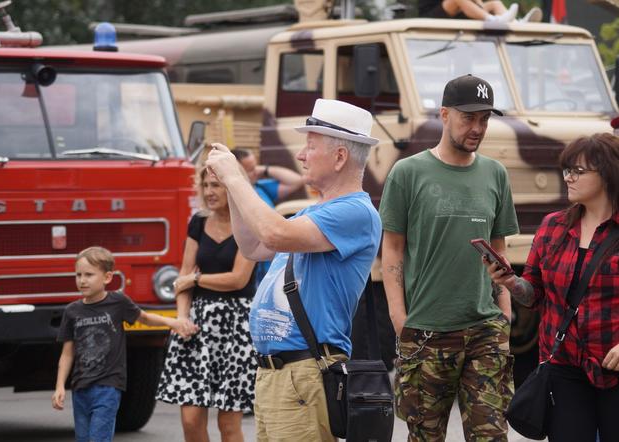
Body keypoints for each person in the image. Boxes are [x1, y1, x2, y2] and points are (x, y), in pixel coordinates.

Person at [205, 98, 382, 441]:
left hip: (304, 371)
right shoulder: (312, 213)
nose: (301, 154)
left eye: (310, 146)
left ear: (340, 156)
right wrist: (233, 184)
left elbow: (275, 234)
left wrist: (236, 178)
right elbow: (253, 246)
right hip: (280, 373)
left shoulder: (356, 212)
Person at [380, 74, 519, 441]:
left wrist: (505, 315)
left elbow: (498, 249)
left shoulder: (496, 173)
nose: (478, 128)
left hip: (485, 330)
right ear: (443, 114)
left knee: (491, 436)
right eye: (468, 118)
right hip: (426, 332)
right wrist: (399, 317)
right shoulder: (407, 172)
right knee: (425, 436)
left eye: (485, 119)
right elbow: (391, 248)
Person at [486, 133, 619, 442]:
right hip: (563, 366)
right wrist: (510, 281)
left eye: (578, 171)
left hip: (613, 367)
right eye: (566, 170)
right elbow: (534, 295)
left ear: (608, 173)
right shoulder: (553, 226)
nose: (568, 178)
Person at [155, 156, 257, 442]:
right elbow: (183, 276)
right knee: (190, 420)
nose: (210, 191)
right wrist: (181, 317)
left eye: (217, 185)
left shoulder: (249, 225)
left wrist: (197, 280)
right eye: (206, 184)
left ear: (232, 187)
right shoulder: (198, 223)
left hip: (236, 327)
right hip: (196, 326)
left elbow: (238, 278)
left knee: (228, 424)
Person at [52, 246, 181, 442]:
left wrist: (171, 322)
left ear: (107, 277)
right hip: (80, 388)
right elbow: (67, 353)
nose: (82, 280)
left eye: (89, 275)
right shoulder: (72, 311)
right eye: (78, 275)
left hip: (108, 386)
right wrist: (60, 386)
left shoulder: (118, 302)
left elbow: (144, 318)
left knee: (99, 438)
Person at [231, 148, 305, 286]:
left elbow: (296, 181)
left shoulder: (260, 187)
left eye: (255, 168)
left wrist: (264, 170)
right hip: (254, 267)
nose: (254, 173)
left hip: (271, 263)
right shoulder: (233, 196)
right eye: (249, 170)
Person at [419, 0, 542, 23]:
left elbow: (479, 3)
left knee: (495, 3)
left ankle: (515, 23)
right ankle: (492, 19)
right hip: (431, 15)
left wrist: (480, 6)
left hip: (459, 13)